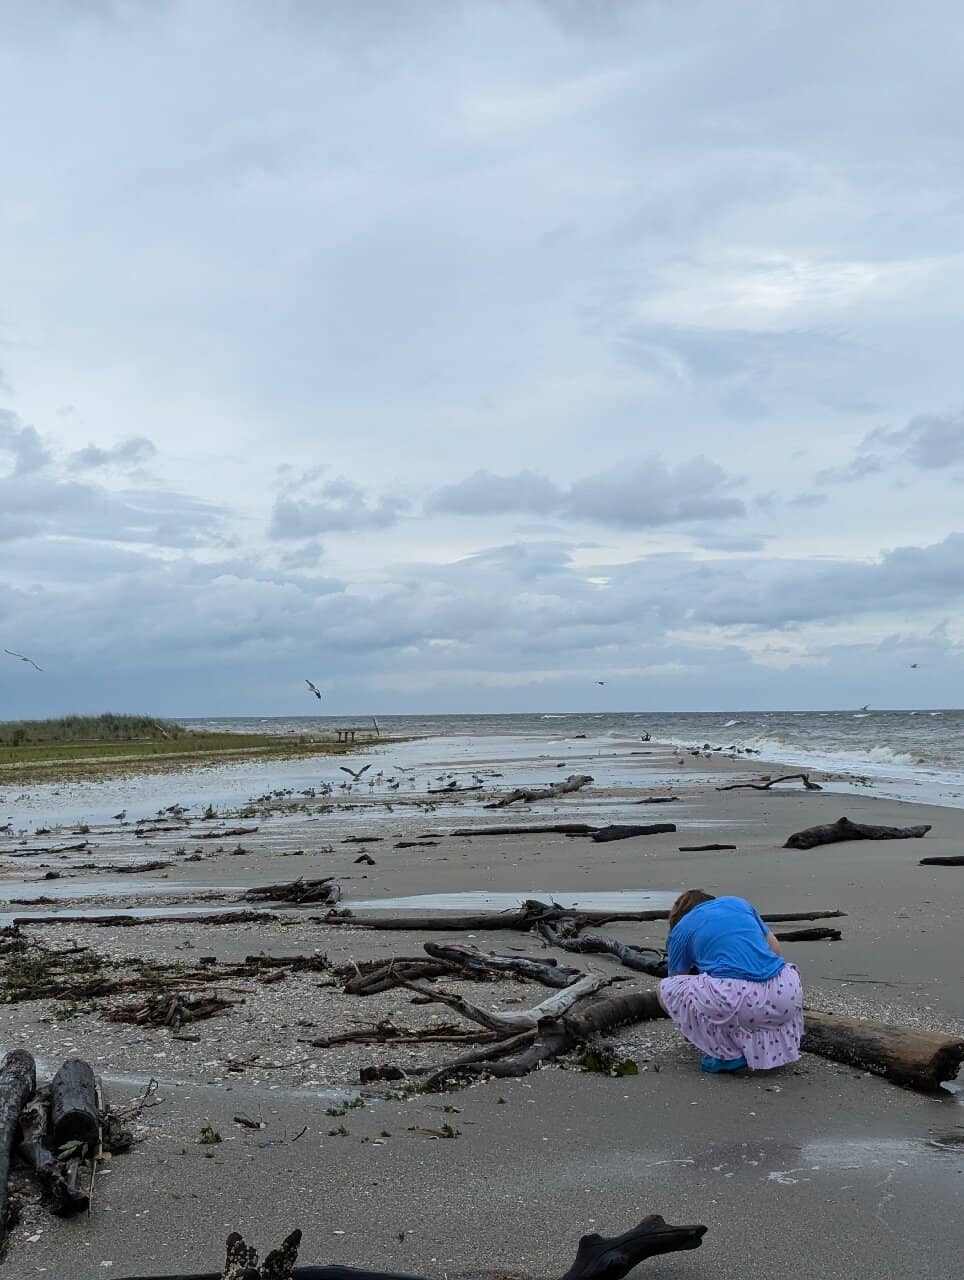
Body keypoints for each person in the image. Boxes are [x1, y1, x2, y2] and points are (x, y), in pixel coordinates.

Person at [658, 889, 803, 1073]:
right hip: (786, 993)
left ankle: (727, 1053)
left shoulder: (681, 930)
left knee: (666, 989)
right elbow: (775, 950)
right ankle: (765, 1050)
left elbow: (677, 979)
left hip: (738, 1001)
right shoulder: (739, 903)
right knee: (745, 997)